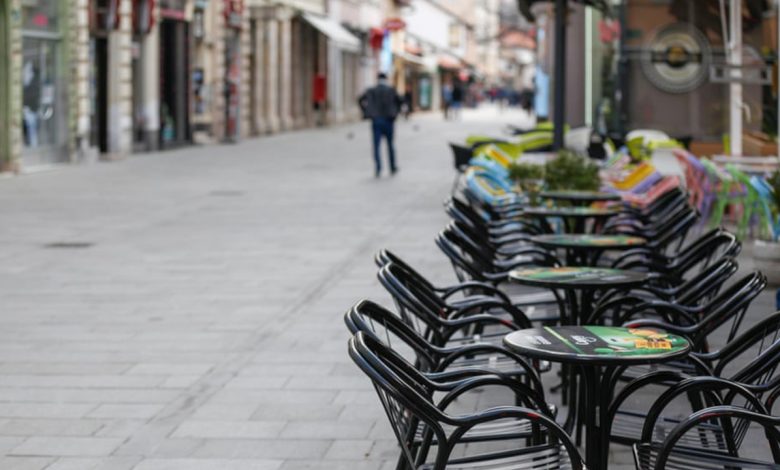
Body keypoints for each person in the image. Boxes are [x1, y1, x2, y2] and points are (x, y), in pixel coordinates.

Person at [359, 73, 403, 177]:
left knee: (376, 145)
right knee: (390, 145)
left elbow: (360, 100)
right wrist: (396, 112)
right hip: (388, 120)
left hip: (376, 120)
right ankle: (392, 166)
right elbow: (400, 101)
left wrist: (366, 112)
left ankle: (378, 168)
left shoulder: (372, 90)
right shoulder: (391, 90)